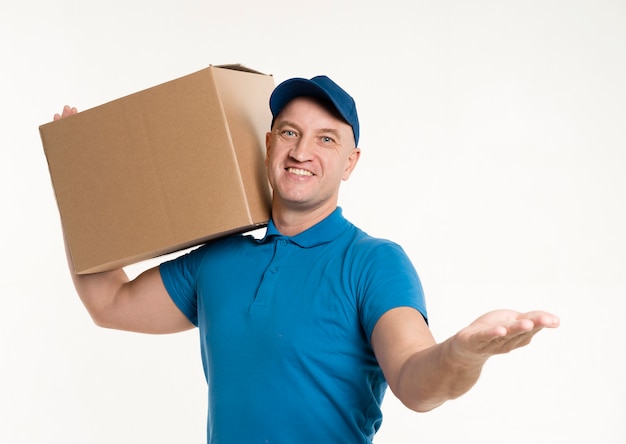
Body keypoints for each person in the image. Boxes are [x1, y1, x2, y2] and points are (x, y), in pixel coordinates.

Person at [53, 75, 559, 443]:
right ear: (269, 143)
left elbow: (414, 380)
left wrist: (462, 354)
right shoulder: (218, 260)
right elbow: (109, 301)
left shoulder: (373, 263)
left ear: (350, 162)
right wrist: (77, 179)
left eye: (326, 139)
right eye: (290, 132)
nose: (302, 151)